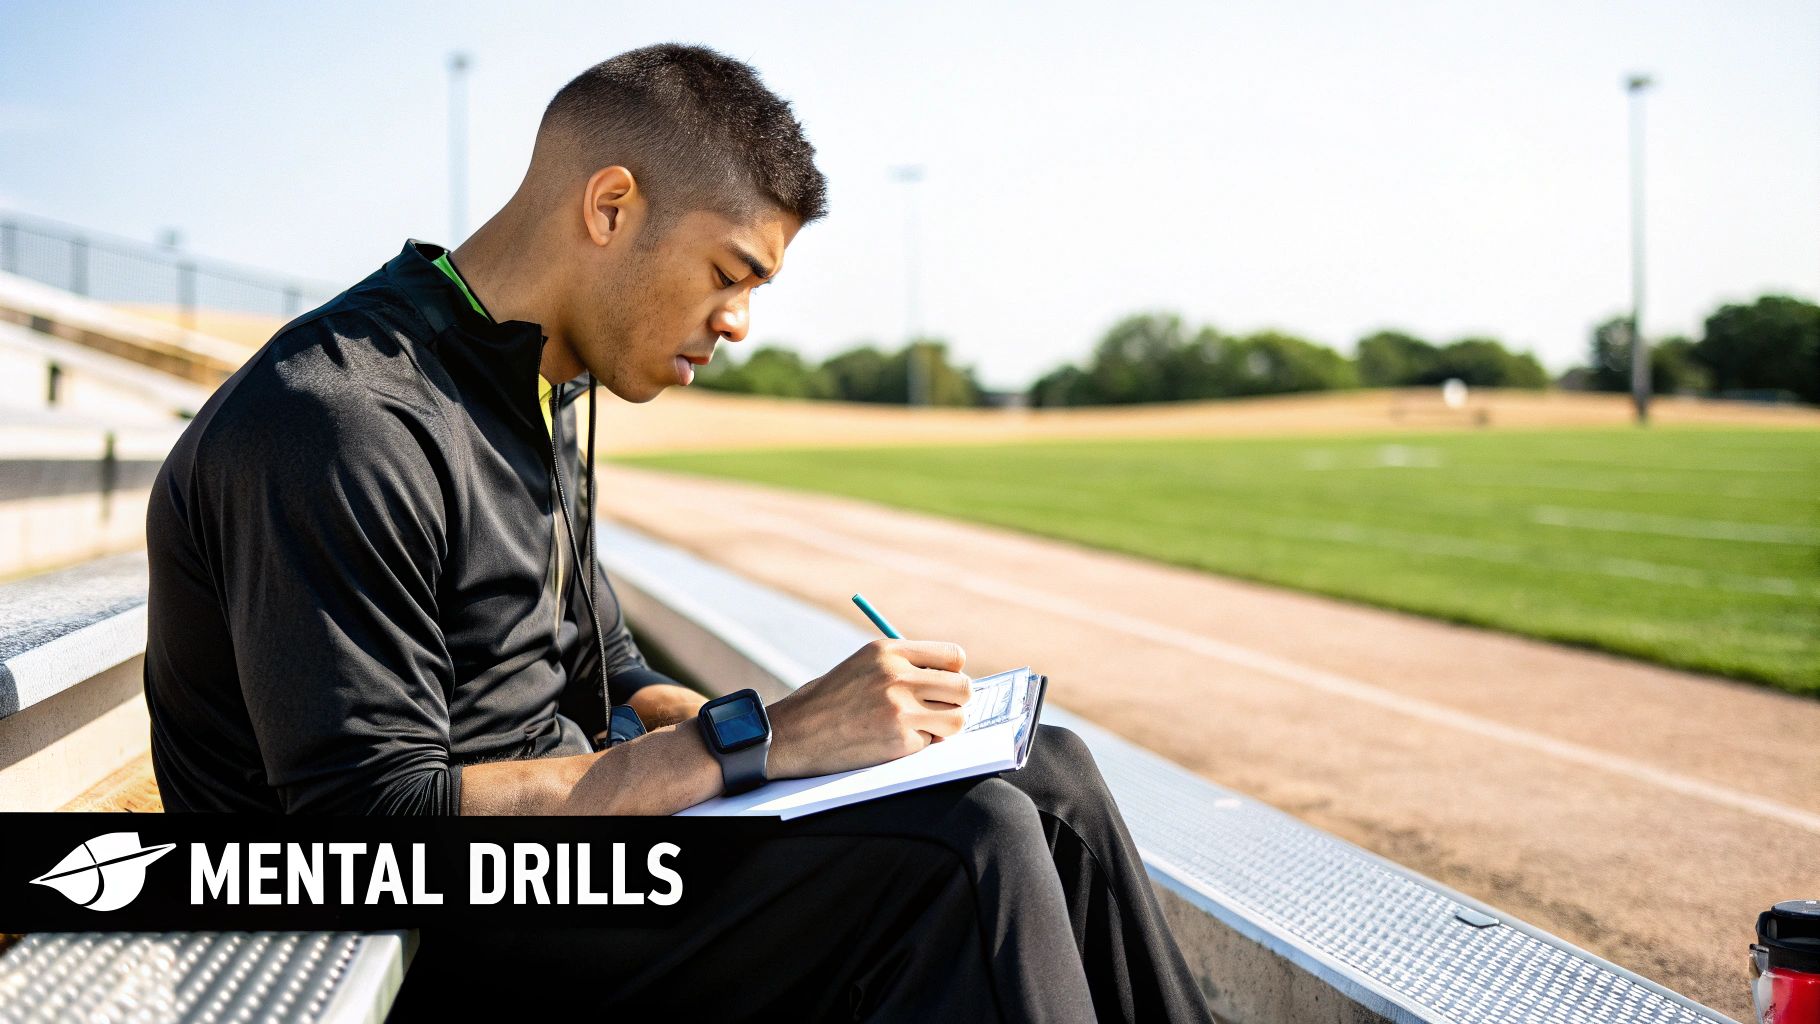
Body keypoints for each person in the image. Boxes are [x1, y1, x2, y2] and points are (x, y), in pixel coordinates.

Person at [142, 43, 1212, 1022]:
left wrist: (820, 756)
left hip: (573, 880)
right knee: (966, 846)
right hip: (420, 943)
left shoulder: (537, 385)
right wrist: (758, 743)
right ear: (610, 206)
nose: (740, 323)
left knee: (1047, 780)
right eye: (728, 273)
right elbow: (368, 829)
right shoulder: (340, 421)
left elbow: (601, 671)